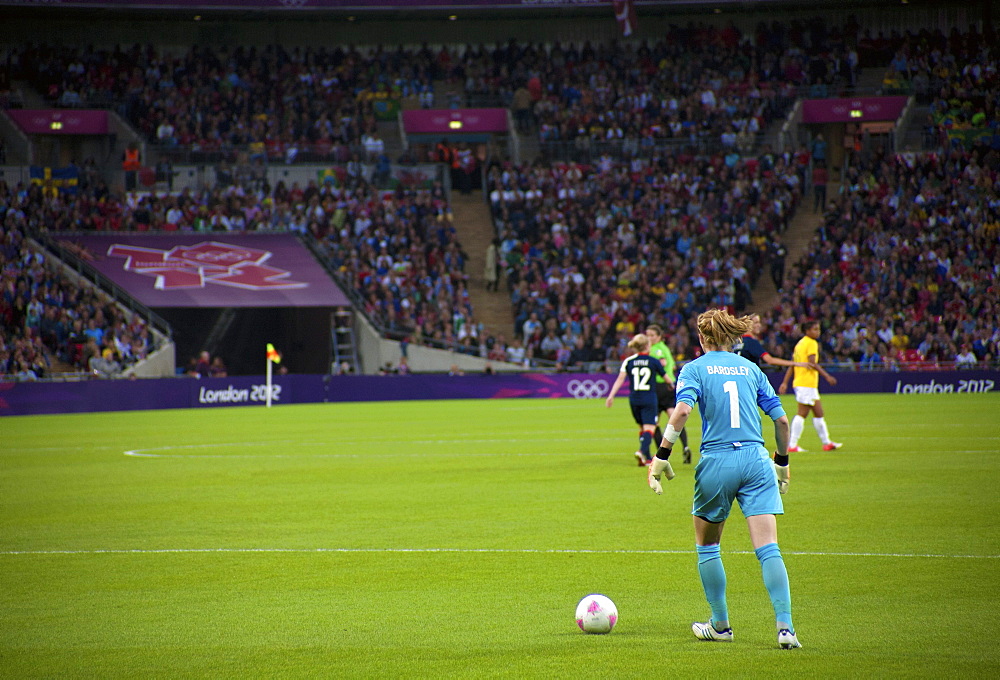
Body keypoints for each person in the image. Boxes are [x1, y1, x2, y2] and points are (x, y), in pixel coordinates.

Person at [648, 309, 800, 650]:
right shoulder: (751, 368)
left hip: (718, 461)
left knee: (708, 546)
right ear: (733, 338)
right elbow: (782, 421)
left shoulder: (694, 369)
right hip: (757, 460)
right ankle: (786, 628)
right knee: (768, 548)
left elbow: (683, 411)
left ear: (702, 339)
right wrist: (782, 464)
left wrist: (661, 456)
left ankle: (720, 625)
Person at [778, 320, 842, 452]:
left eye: (818, 329)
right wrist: (827, 376)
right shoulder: (811, 343)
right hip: (806, 383)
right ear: (807, 331)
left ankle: (826, 443)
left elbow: (793, 364)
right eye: (815, 329)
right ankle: (792, 445)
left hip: (805, 384)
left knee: (819, 413)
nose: (817, 332)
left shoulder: (799, 344)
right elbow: (812, 363)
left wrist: (785, 382)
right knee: (802, 413)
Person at [605, 333, 666, 466]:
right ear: (646, 346)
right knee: (650, 428)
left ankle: (647, 457)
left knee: (642, 428)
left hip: (634, 399)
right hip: (649, 397)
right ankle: (641, 451)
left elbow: (620, 379)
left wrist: (611, 395)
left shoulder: (628, 361)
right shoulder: (653, 360)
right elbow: (666, 378)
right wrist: (672, 385)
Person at [645, 323, 692, 464]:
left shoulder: (655, 350)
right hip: (670, 387)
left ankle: (662, 454)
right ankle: (686, 447)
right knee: (675, 418)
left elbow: (662, 365)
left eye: (652, 335)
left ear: (659, 337)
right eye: (647, 335)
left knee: (653, 422)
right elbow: (671, 365)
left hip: (659, 387)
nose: (649, 338)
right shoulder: (665, 349)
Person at [734, 315, 808, 370]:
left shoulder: (737, 342)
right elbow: (770, 360)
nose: (759, 325)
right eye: (756, 323)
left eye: (759, 322)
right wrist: (795, 363)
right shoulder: (752, 342)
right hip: (747, 380)